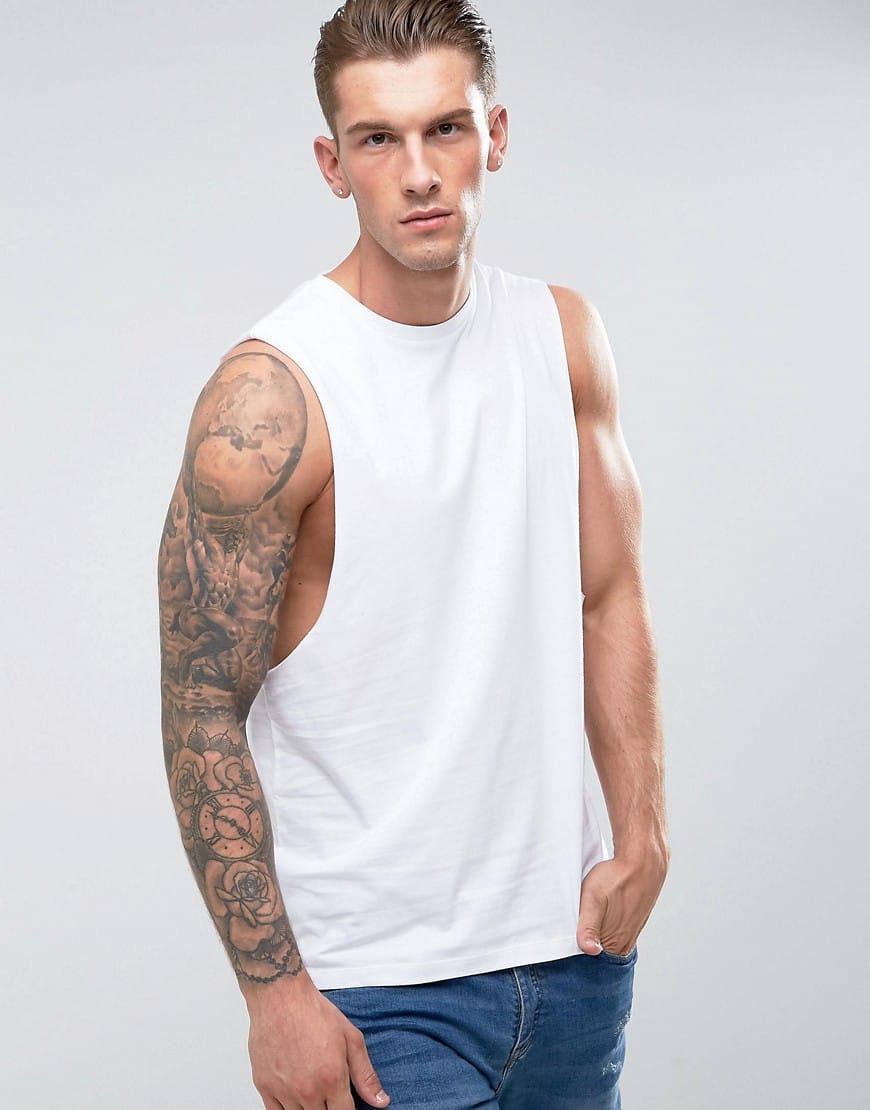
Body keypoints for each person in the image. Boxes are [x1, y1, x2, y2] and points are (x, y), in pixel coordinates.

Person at [158, 1, 669, 1106]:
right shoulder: (270, 397)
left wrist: (644, 837)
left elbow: (610, 594)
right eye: (378, 139)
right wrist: (274, 996)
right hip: (376, 994)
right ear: (332, 165)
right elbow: (200, 702)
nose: (420, 173)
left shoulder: (563, 339)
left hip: (573, 959)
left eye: (446, 128)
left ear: (495, 135)